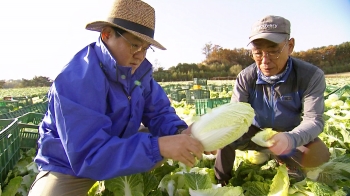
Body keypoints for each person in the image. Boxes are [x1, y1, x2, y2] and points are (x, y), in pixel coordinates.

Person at [28, 0, 204, 195]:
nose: (140, 55)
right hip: (71, 166)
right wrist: (158, 146)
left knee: (168, 137)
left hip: (118, 147)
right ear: (106, 35)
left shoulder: (139, 74)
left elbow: (160, 112)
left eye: (146, 48)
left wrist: (181, 132)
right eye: (135, 45)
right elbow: (89, 154)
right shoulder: (76, 80)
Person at [214, 15, 330, 185]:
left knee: (320, 155)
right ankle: (221, 182)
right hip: (255, 133)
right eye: (258, 53)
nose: (265, 61)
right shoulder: (246, 77)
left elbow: (314, 120)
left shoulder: (310, 76)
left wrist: (290, 138)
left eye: (274, 51)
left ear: (290, 46)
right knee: (226, 135)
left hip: (290, 133)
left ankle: (282, 157)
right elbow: (235, 116)